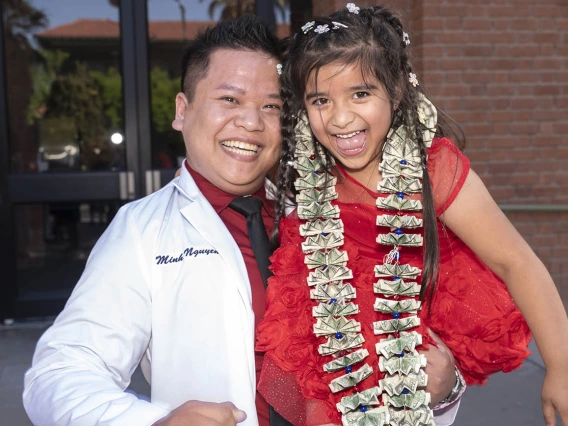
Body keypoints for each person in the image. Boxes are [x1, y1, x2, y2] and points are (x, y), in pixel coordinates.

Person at [23, 15, 460, 426]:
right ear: (181, 109)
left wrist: (444, 392)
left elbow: (403, 352)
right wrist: (150, 422)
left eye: (271, 107)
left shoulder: (326, 213)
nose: (250, 122)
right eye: (229, 99)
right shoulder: (140, 231)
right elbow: (58, 373)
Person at [256, 4, 568, 426]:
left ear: (397, 92)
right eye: (321, 100)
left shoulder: (433, 169)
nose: (340, 117)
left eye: (360, 94)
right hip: (331, 359)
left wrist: (562, 366)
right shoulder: (306, 177)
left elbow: (515, 261)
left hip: (411, 366)